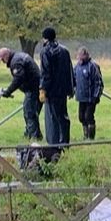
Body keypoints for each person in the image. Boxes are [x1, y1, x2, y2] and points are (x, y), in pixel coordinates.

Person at [36, 25, 74, 155]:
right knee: (63, 116)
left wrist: (43, 88)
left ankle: (55, 145)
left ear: (45, 38)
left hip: (52, 91)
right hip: (63, 90)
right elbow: (70, 71)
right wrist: (71, 89)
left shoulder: (45, 51)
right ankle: (65, 143)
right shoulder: (65, 50)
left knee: (53, 118)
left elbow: (46, 73)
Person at [0, 47, 43, 146]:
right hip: (37, 87)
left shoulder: (15, 62)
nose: (3, 62)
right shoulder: (18, 57)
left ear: (6, 56)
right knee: (32, 112)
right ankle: (32, 134)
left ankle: (34, 137)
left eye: (2, 59)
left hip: (32, 89)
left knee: (29, 113)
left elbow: (18, 79)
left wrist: (8, 91)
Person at [72, 47, 104, 140]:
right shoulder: (77, 67)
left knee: (88, 116)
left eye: (81, 56)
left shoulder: (93, 66)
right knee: (81, 117)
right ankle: (85, 135)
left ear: (86, 56)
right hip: (81, 97)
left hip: (91, 98)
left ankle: (91, 136)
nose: (80, 58)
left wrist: (96, 95)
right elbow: (74, 79)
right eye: (79, 56)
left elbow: (98, 82)